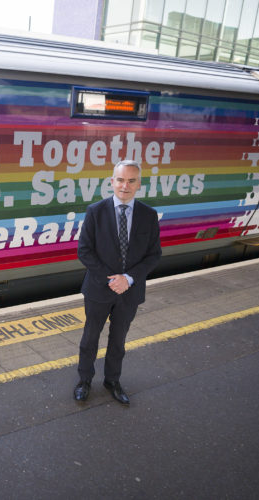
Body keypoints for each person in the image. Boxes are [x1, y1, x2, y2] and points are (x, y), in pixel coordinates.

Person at [74, 160, 161, 405]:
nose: (125, 185)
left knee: (118, 340)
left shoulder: (148, 215)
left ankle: (112, 381)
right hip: (99, 289)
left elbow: (154, 254)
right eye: (120, 180)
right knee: (90, 337)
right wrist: (111, 280)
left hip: (130, 291)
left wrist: (129, 279)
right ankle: (84, 380)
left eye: (131, 180)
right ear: (112, 182)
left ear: (139, 184)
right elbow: (84, 251)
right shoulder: (95, 211)